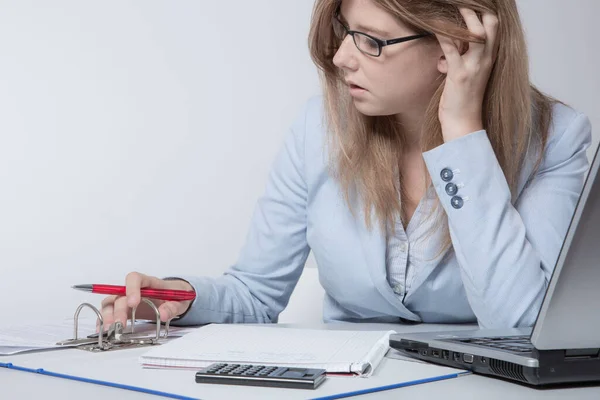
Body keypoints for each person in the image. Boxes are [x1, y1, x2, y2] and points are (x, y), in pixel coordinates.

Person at [99, 0, 592, 330]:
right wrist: (181, 298)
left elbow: (522, 325)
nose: (340, 58)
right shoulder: (319, 128)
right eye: (345, 32)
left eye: (372, 40)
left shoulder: (555, 139)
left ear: (456, 45)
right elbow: (254, 295)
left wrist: (463, 130)